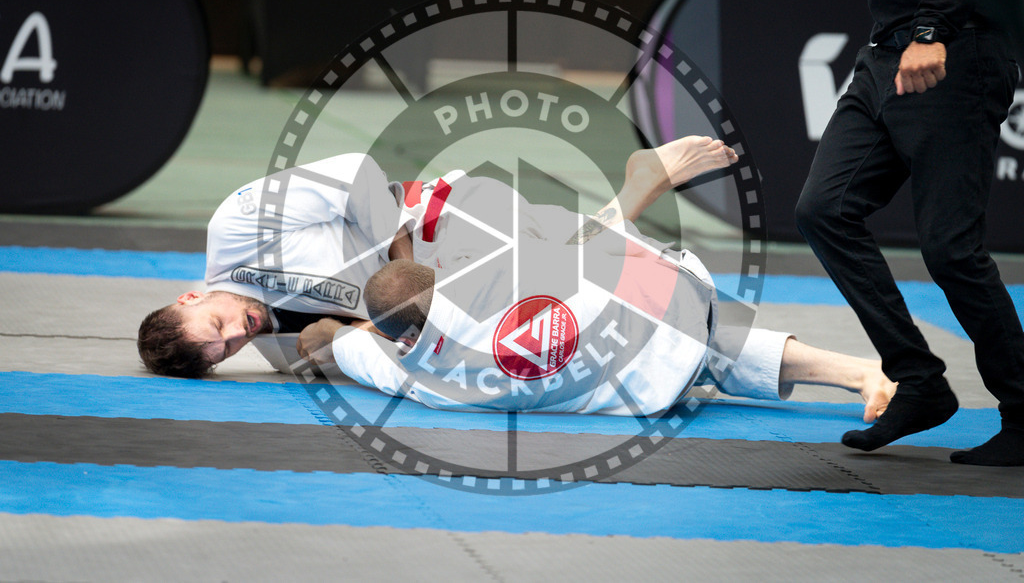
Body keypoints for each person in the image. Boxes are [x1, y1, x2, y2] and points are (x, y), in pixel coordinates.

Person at [294, 157, 894, 419]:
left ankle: (861, 375)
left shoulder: (425, 381)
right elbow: (590, 249)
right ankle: (863, 373)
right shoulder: (490, 270)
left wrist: (328, 335)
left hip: (646, 383)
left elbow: (333, 344)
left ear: (403, 339)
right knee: (709, 336)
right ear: (440, 275)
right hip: (665, 304)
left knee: (713, 351)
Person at [137, 135, 738, 377]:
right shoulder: (273, 349)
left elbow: (354, 175)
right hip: (440, 293)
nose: (238, 336)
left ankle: (640, 192)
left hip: (440, 222)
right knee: (565, 301)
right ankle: (640, 196)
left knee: (577, 271)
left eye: (217, 324)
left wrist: (396, 274)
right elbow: (378, 345)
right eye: (226, 352)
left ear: (192, 296)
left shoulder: (236, 228)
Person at [795, 0, 1024, 465]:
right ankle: (918, 379)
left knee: (951, 249)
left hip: (951, 50)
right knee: (824, 209)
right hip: (882, 55)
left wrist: (931, 29)